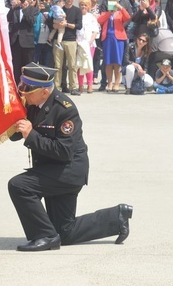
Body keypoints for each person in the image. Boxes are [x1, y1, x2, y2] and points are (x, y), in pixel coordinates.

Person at [8, 63, 133, 251]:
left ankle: (44, 236)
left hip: (68, 171)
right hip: (52, 170)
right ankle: (117, 218)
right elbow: (15, 134)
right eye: (22, 87)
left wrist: (31, 135)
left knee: (19, 186)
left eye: (28, 90)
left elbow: (63, 151)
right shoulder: (33, 103)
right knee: (64, 232)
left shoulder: (65, 109)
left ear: (44, 91)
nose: (23, 93)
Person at [96, 0, 130, 93]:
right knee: (108, 62)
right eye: (110, 3)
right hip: (107, 39)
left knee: (117, 62)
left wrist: (120, 7)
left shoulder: (120, 13)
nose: (112, 5)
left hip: (118, 39)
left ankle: (117, 83)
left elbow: (128, 17)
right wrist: (109, 12)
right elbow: (99, 20)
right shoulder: (106, 13)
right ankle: (109, 82)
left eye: (113, 3)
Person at [50, 0, 82, 92]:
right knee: (58, 66)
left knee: (72, 65)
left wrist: (66, 24)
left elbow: (79, 26)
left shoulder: (77, 11)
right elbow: (51, 24)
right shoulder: (58, 9)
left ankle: (73, 87)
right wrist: (57, 25)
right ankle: (57, 88)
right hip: (58, 40)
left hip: (71, 41)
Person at [8, 0, 39, 84]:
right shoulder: (15, 9)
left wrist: (25, 9)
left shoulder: (33, 9)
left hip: (27, 43)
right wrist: (12, 8)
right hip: (15, 42)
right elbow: (8, 19)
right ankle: (16, 86)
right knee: (16, 67)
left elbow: (31, 22)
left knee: (27, 67)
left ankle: (28, 85)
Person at [76, 0, 100, 94]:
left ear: (89, 6)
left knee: (89, 64)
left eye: (85, 5)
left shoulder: (91, 17)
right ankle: (80, 85)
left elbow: (95, 31)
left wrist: (90, 42)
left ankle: (90, 85)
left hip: (89, 44)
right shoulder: (76, 16)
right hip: (79, 44)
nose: (83, 6)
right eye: (82, 4)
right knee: (80, 64)